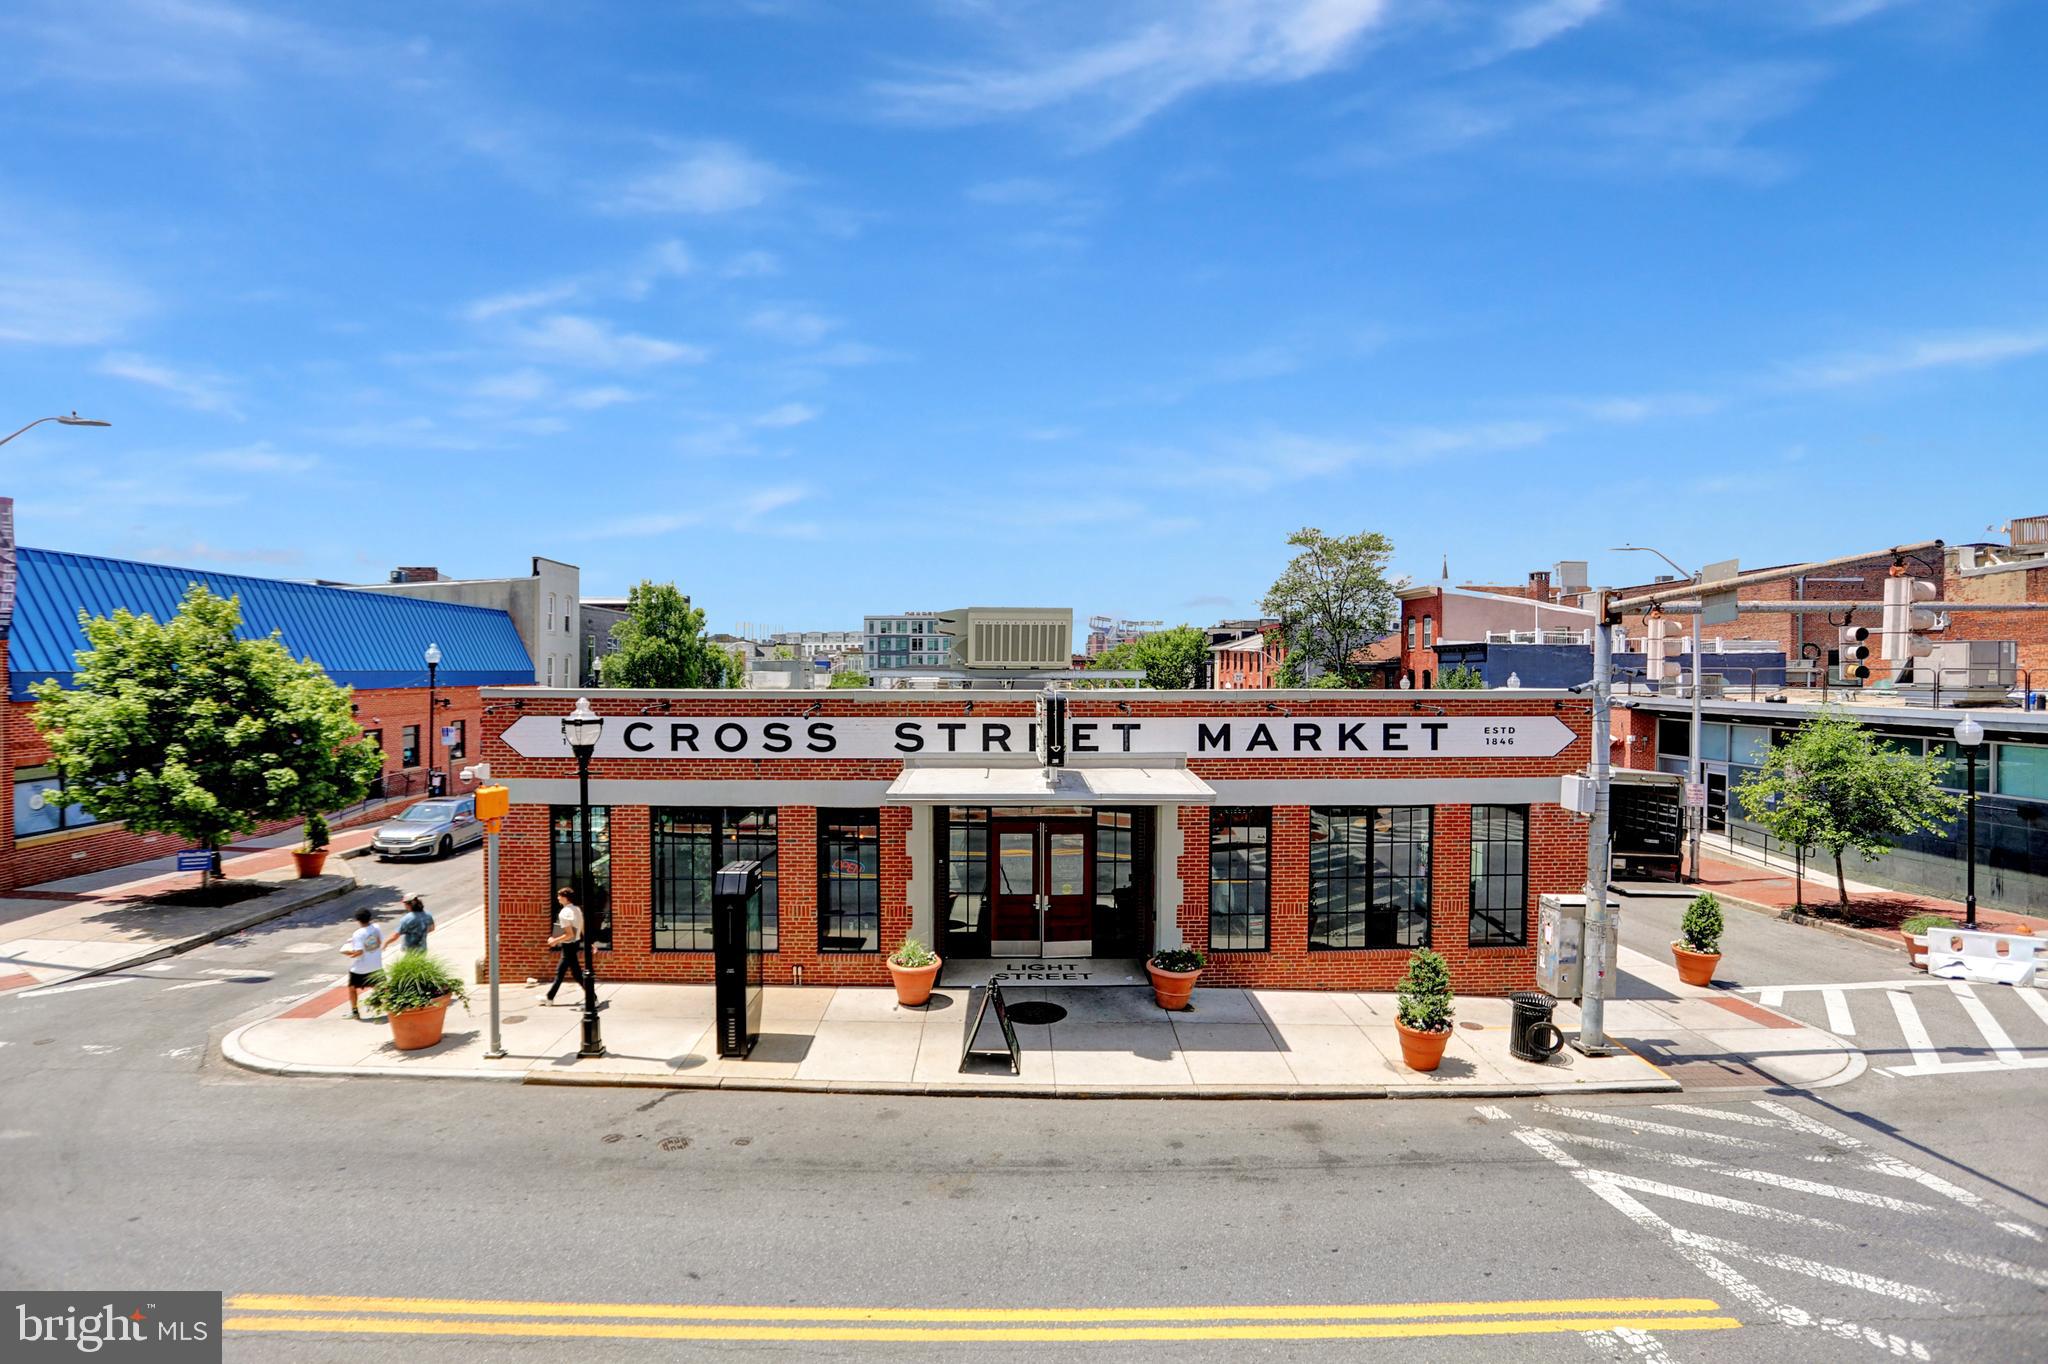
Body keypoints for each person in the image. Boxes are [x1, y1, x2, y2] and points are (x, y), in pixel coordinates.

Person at [543, 887, 587, 1006]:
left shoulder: (564, 913)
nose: (558, 898)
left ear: (565, 898)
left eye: (559, 896)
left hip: (568, 946)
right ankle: (549, 997)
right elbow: (582, 928)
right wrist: (589, 942)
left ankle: (549, 998)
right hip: (575, 944)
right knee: (576, 974)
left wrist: (554, 941)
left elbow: (569, 934)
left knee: (561, 972)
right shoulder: (577, 909)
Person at [341, 906, 383, 1019]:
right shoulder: (376, 928)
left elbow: (359, 952)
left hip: (361, 967)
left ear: (357, 920)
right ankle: (386, 1007)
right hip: (376, 964)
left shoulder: (358, 933)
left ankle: (355, 1012)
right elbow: (379, 942)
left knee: (352, 988)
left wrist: (348, 953)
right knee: (380, 987)